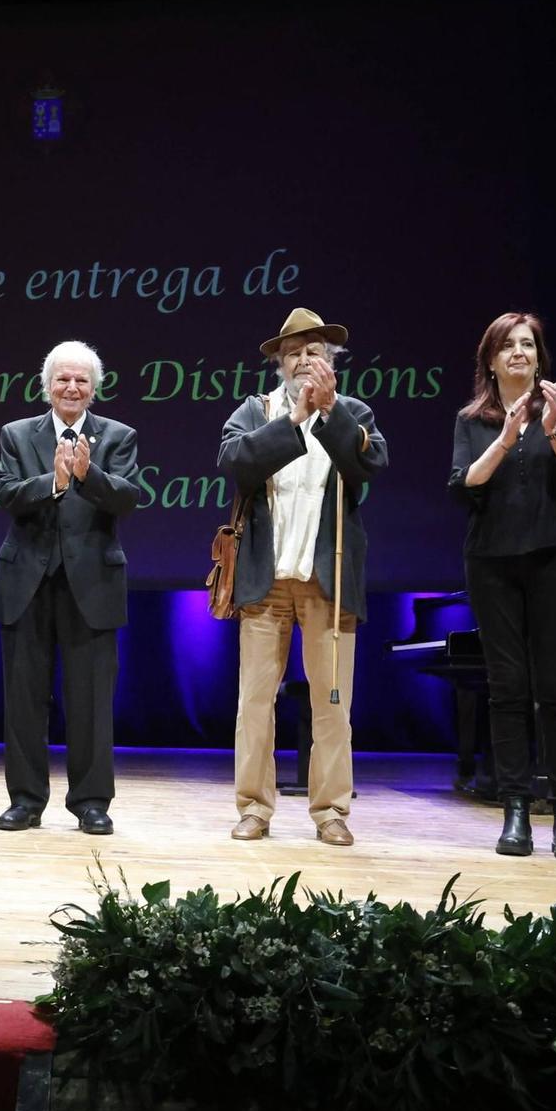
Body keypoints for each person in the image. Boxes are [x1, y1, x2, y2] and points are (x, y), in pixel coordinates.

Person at [217, 307, 388, 847]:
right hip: (266, 584)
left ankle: (331, 810)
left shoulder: (352, 412)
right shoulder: (256, 411)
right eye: (294, 353)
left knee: (332, 702)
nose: (303, 360)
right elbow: (234, 461)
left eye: (314, 351)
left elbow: (369, 466)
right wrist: (292, 420)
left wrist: (330, 410)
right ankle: (254, 808)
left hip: (327, 582)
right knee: (254, 702)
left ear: (331, 362)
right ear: (279, 364)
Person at [449, 311, 556, 860]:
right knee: (507, 688)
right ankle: (514, 811)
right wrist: (507, 436)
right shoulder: (473, 420)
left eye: (528, 344)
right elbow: (464, 488)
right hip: (492, 561)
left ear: (539, 357)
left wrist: (552, 428)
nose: (519, 352)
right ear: (491, 360)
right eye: (507, 345)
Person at [0, 340, 140, 835]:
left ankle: (92, 802)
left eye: (81, 380)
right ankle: (26, 800)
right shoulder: (17, 433)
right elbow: (6, 493)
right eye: (62, 379)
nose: (71, 387)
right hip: (26, 583)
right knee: (25, 701)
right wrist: (52, 483)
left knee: (91, 702)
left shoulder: (117, 436)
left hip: (92, 584)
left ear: (94, 388)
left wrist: (85, 474)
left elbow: (128, 497)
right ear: (47, 386)